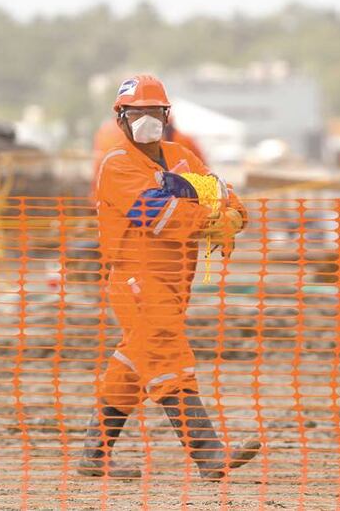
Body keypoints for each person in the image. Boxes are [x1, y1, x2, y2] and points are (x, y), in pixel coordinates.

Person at [81, 74, 260, 480]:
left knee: (132, 362)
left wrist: (231, 213)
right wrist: (213, 215)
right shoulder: (117, 165)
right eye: (136, 111)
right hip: (137, 278)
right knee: (166, 355)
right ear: (121, 118)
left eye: (153, 110)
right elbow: (159, 215)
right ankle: (208, 453)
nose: (145, 117)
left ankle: (94, 454)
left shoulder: (182, 156)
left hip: (177, 279)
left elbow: (225, 195)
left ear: (166, 114)